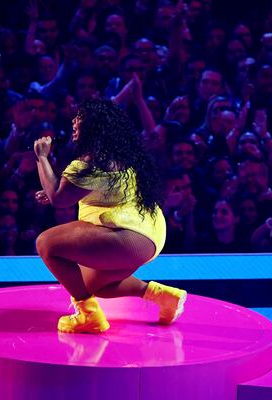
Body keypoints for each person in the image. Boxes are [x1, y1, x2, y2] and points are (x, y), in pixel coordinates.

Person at [34, 98, 186, 334]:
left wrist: (42, 157)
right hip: (150, 235)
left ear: (95, 126)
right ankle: (165, 296)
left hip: (127, 235)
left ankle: (88, 316)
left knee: (46, 243)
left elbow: (59, 199)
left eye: (80, 118)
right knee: (94, 285)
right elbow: (95, 190)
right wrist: (57, 190)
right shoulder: (116, 155)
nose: (74, 122)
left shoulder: (90, 163)